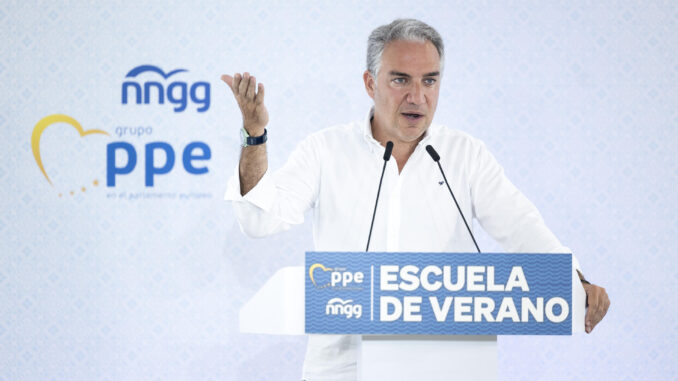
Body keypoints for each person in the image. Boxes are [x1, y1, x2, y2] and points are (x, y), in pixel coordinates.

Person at [222, 18, 610, 381]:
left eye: (429, 80)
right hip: (345, 368)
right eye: (400, 80)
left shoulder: (465, 155)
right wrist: (254, 137)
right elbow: (259, 219)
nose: (417, 96)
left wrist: (576, 281)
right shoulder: (325, 150)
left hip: (448, 365)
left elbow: (524, 230)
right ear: (370, 83)